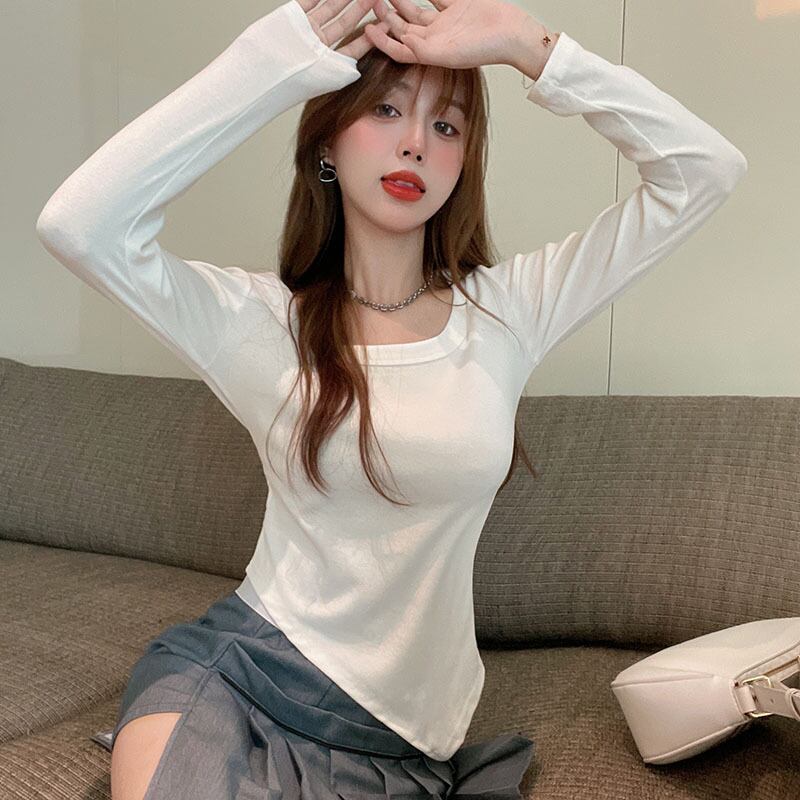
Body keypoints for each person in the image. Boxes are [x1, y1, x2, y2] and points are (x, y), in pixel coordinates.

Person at [34, 0, 747, 795]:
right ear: (328, 141)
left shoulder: (509, 312)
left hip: (408, 740)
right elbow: (78, 224)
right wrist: (277, 60)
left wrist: (526, 44)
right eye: (385, 110)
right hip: (237, 681)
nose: (415, 142)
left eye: (446, 125)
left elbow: (705, 170)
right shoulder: (258, 323)